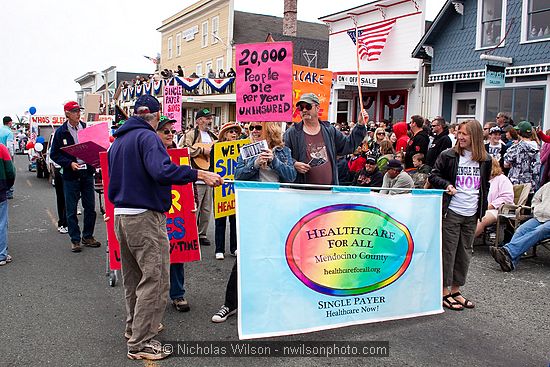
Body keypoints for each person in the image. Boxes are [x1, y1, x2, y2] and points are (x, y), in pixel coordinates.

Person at [108, 95, 223, 360]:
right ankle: (141, 342)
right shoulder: (147, 138)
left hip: (122, 216)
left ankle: (134, 329)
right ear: (156, 116)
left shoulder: (120, 140)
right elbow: (161, 171)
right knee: (155, 280)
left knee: (134, 279)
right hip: (144, 217)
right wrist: (198, 174)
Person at [212, 121, 296, 323]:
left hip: (277, 208)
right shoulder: (245, 151)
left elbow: (291, 176)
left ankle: (275, 302)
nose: (255, 131)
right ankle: (230, 304)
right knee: (245, 255)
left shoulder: (283, 151)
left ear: (271, 129)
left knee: (278, 255)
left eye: (259, 127)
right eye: (252, 128)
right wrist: (254, 164)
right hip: (254, 207)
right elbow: (238, 176)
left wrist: (274, 161)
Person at [429, 120, 491, 311]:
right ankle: (443, 292)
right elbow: (433, 175)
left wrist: (482, 209)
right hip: (452, 211)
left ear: (476, 136)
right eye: (459, 133)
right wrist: (446, 185)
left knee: (464, 252)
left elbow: (485, 186)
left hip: (471, 212)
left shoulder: (485, 160)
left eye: (465, 134)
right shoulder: (448, 155)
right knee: (448, 251)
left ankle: (456, 290)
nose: (461, 137)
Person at [50, 101, 101, 253]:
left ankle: (88, 236)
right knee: (71, 209)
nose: (78, 113)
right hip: (71, 175)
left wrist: (95, 160)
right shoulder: (61, 132)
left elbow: (95, 146)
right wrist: (69, 163)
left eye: (79, 111)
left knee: (90, 207)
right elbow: (54, 154)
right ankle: (75, 239)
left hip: (87, 173)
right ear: (67, 114)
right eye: (74, 111)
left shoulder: (86, 128)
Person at [284, 93, 367, 185]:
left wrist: (360, 125)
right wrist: (294, 164)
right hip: (302, 191)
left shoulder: (329, 130)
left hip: (328, 192)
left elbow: (348, 146)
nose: (304, 110)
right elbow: (283, 156)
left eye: (308, 106)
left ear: (317, 108)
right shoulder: (293, 132)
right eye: (300, 107)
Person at [155, 115, 190, 313]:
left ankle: (177, 294)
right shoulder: (149, 153)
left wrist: (190, 201)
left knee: (177, 251)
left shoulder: (178, 154)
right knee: (153, 258)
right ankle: (154, 297)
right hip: (154, 211)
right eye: (165, 131)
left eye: (172, 131)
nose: (170, 135)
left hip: (176, 212)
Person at [179, 109, 218, 247]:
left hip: (209, 176)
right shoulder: (191, 134)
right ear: (199, 120)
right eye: (207, 118)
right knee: (195, 206)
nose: (209, 121)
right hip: (196, 176)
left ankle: (202, 234)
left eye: (210, 118)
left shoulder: (212, 136)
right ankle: (191, 232)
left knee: (207, 209)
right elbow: (183, 149)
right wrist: (201, 151)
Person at [489, 181, 550, 272]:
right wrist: (536, 208)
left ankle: (508, 252)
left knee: (539, 230)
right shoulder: (547, 185)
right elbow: (536, 199)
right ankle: (510, 262)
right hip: (540, 217)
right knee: (521, 230)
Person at [210, 122, 241, 260]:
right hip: (220, 187)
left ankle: (234, 248)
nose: (234, 134)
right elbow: (212, 167)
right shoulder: (215, 148)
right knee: (220, 219)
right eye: (231, 132)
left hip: (235, 187)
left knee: (235, 219)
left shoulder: (241, 148)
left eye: (235, 132)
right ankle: (219, 249)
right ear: (224, 134)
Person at [474, 158, 514, 238]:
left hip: (498, 210)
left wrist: (490, 205)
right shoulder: (478, 179)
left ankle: (467, 244)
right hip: (477, 207)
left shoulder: (502, 179)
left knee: (481, 219)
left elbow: (507, 198)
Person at [503, 121, 540, 196]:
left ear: (519, 132)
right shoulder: (537, 148)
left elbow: (505, 164)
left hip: (516, 187)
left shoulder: (516, 148)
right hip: (531, 187)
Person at [0, 143, 15, 266]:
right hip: (0, 191)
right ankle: (1, 255)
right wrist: (7, 187)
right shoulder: (1, 148)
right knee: (1, 223)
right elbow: (10, 171)